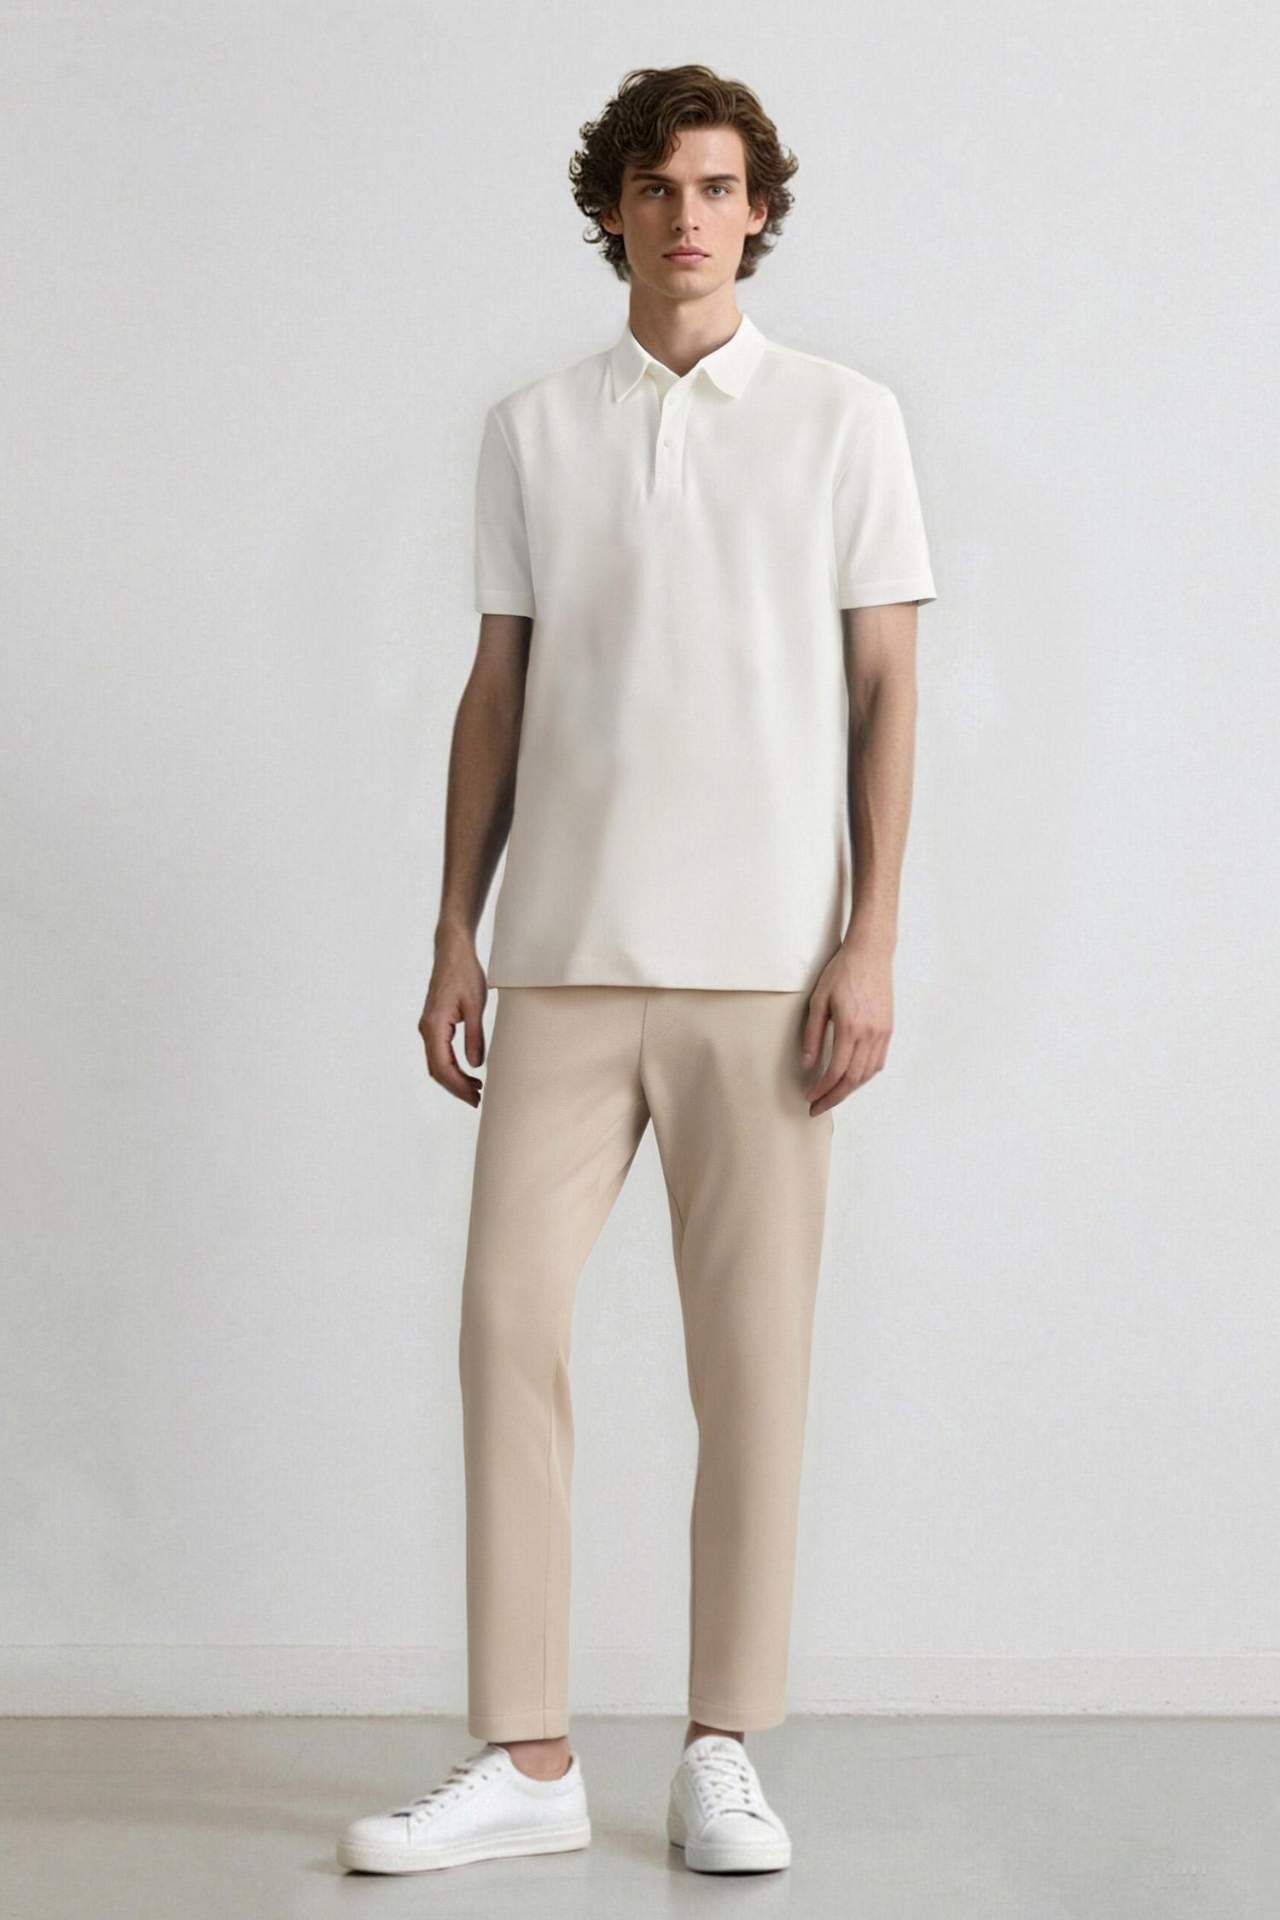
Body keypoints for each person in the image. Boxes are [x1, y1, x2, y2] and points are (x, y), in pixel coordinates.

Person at [338, 61, 936, 1879]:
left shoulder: (845, 422)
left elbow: (888, 690)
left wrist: (871, 938)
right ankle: (526, 1756)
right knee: (503, 1324)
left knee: (750, 1364)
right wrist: (454, 926)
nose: (690, 217)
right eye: (658, 186)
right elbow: (497, 691)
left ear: (760, 211)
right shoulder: (534, 430)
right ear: (612, 208)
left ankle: (720, 1747)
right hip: (565, 960)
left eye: (720, 186)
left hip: (769, 971)